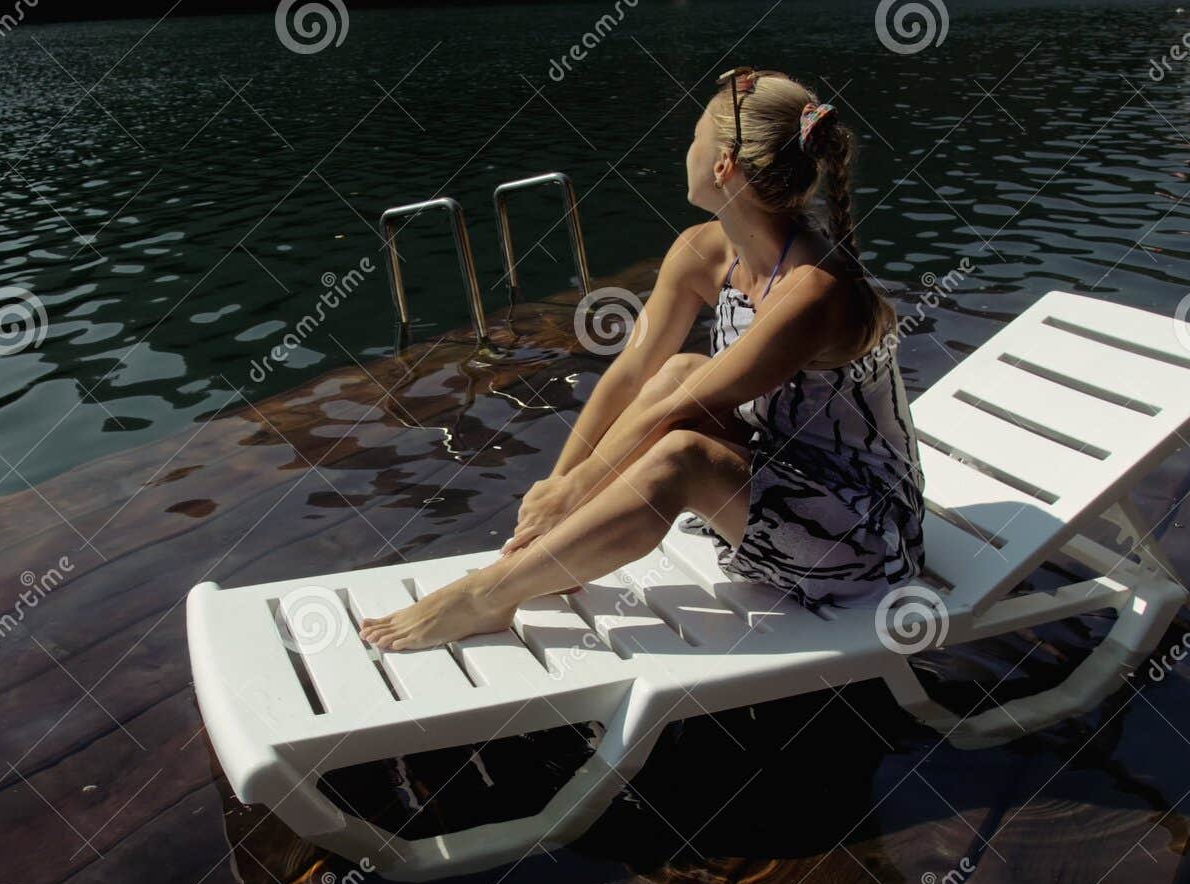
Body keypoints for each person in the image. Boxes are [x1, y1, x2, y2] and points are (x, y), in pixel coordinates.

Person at [360, 67, 924, 652]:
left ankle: (485, 596)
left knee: (681, 452)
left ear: (723, 164)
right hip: (785, 477)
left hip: (866, 539)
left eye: (694, 136)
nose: (686, 148)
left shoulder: (813, 291)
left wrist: (576, 490)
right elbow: (633, 374)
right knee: (678, 367)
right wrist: (554, 491)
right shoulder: (703, 252)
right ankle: (547, 557)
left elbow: (685, 409)